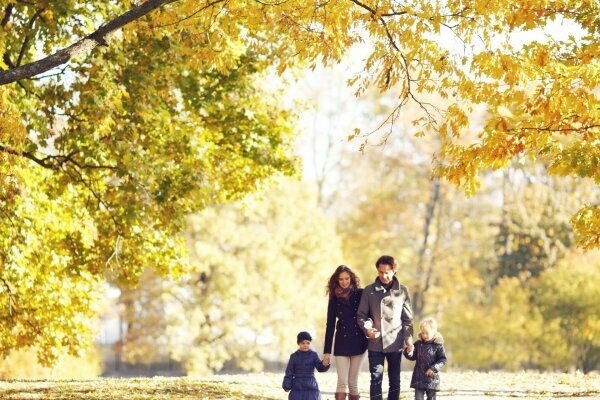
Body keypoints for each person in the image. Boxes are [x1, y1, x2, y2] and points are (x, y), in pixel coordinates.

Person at [357, 255, 414, 400]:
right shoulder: (369, 290)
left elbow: (407, 319)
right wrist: (368, 329)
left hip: (395, 342)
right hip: (375, 343)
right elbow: (362, 315)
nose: (383, 275)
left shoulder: (403, 291)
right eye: (380, 272)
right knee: (375, 379)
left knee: (395, 380)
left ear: (394, 271)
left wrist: (409, 340)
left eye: (387, 272)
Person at [323, 265, 368, 400]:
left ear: (351, 278)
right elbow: (330, 325)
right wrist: (327, 352)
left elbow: (368, 316)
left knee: (352, 382)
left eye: (347, 278)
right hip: (341, 341)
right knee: (341, 381)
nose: (344, 282)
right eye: (341, 279)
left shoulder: (361, 293)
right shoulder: (333, 298)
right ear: (336, 280)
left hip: (359, 341)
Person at [403, 317, 447, 400]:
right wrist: (408, 351)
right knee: (418, 398)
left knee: (431, 398)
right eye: (422, 333)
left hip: (432, 379)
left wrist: (433, 368)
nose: (424, 335)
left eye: (427, 333)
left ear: (434, 332)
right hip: (419, 377)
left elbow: (443, 360)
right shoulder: (418, 344)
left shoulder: (438, 345)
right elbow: (412, 357)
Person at [282, 331, 330, 400]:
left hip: (311, 385)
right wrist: (287, 384)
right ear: (298, 343)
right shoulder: (294, 356)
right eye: (303, 343)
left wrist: (325, 364)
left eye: (308, 343)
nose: (305, 345)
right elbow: (289, 371)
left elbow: (320, 367)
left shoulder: (313, 355)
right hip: (297, 385)